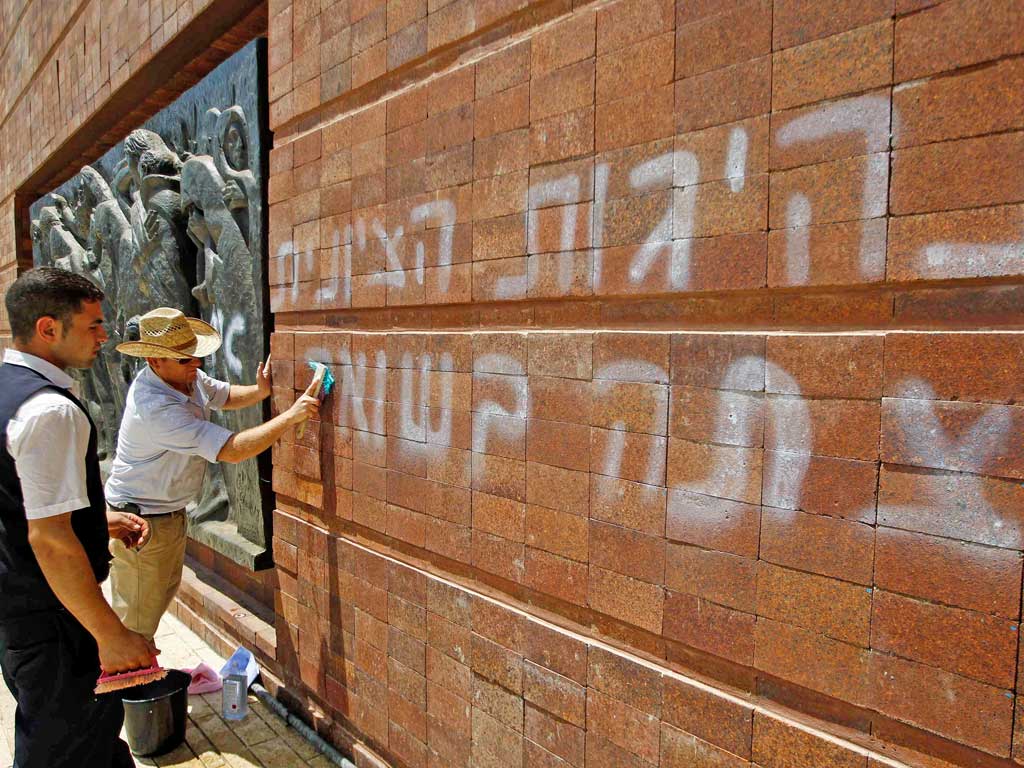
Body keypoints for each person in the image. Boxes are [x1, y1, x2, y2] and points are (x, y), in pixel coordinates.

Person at [0, 267, 155, 768]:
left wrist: (94, 522)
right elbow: (50, 540)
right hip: (53, 620)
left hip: (19, 609)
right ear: (49, 329)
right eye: (93, 325)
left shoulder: (8, 387)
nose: (105, 336)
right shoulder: (50, 412)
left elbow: (18, 497)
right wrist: (110, 634)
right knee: (67, 750)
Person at [105, 306, 319, 641]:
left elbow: (223, 395)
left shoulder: (183, 376)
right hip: (141, 522)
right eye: (185, 359)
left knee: (154, 603)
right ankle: (125, 685)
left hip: (167, 515)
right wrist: (290, 418)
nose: (197, 364)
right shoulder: (156, 407)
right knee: (133, 624)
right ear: (154, 361)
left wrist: (260, 391)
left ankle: (140, 676)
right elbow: (232, 450)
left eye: (195, 356)